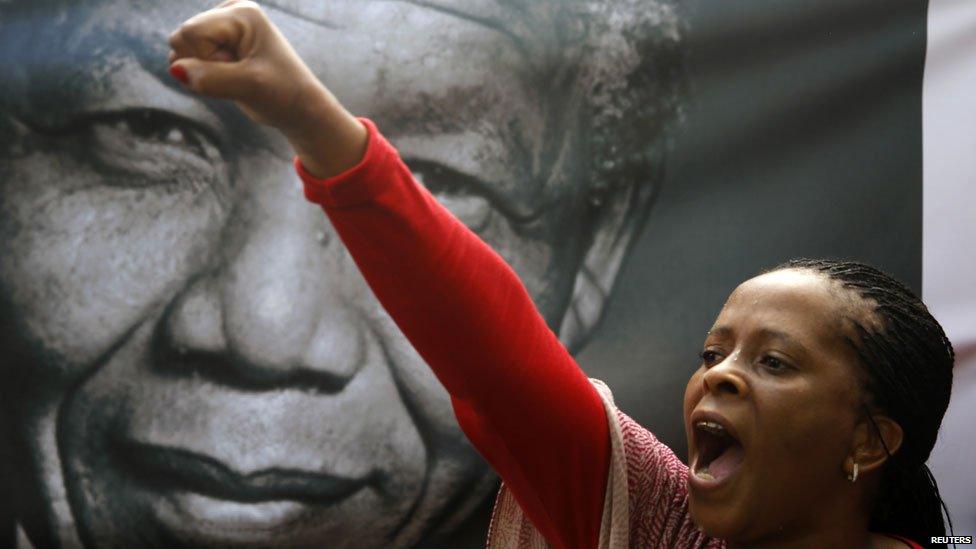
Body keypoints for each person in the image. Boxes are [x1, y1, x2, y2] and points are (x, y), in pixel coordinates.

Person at [165, 2, 955, 548]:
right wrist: (307, 113)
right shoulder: (647, 518)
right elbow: (492, 353)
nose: (721, 378)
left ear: (870, 437)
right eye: (713, 354)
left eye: (774, 361)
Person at [0, 0, 685, 547]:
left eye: (433, 180)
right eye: (153, 130)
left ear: (601, 246)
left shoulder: (667, 522)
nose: (265, 331)